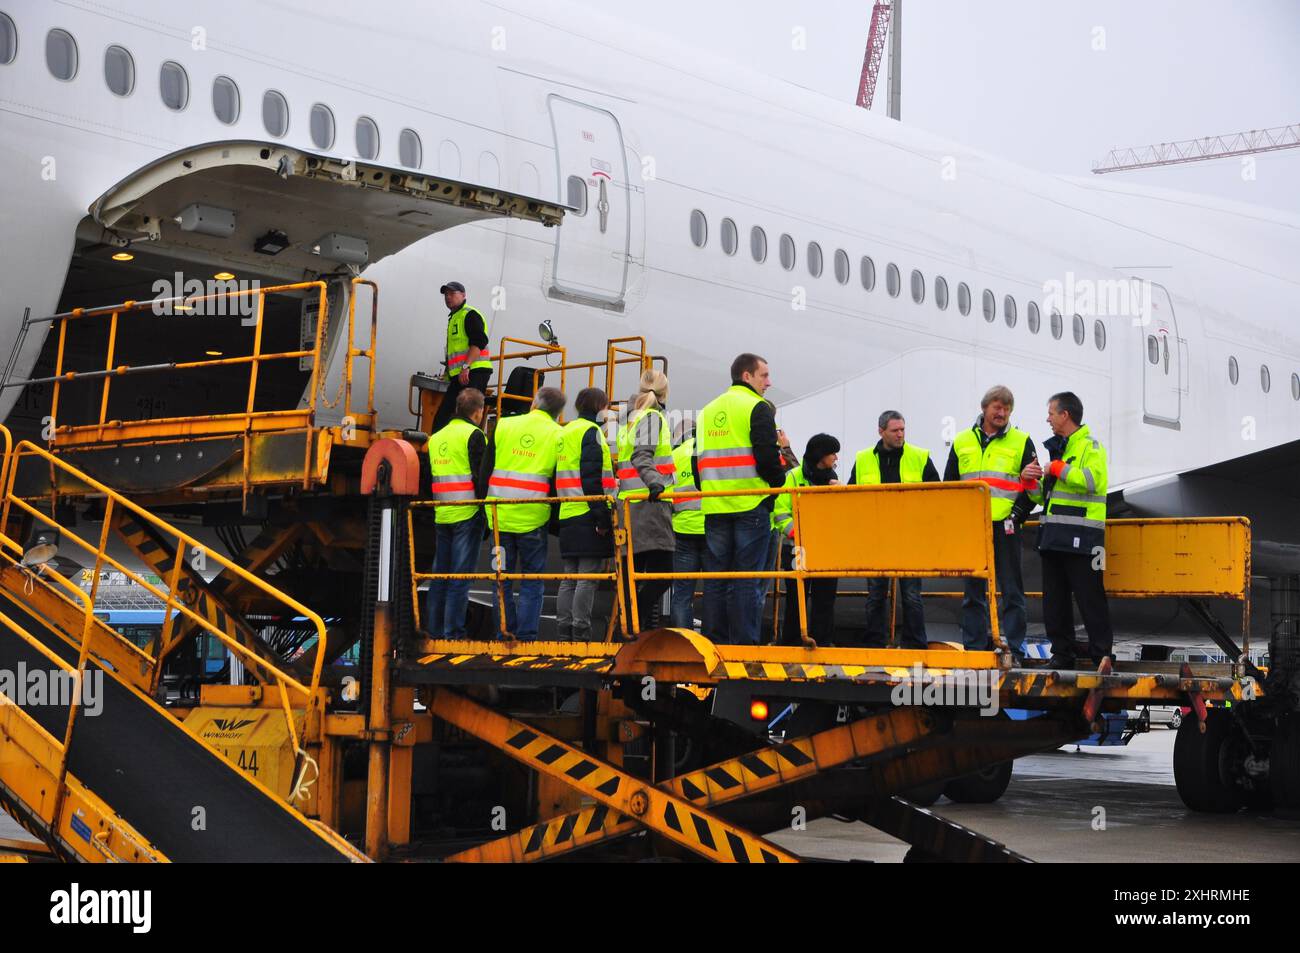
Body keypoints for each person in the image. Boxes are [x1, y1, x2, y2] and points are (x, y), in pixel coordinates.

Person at [693, 354, 790, 644]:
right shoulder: (758, 408)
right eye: (764, 376)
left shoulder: (707, 411)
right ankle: (744, 645)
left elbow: (696, 461)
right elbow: (767, 457)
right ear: (747, 376)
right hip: (750, 504)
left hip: (715, 505)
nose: (769, 382)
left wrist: (711, 490)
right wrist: (777, 484)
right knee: (746, 580)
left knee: (715, 580)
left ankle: (714, 642)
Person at [944, 385, 1038, 660]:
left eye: (1007, 408)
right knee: (973, 590)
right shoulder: (962, 441)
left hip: (1006, 525)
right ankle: (974, 646)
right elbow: (950, 485)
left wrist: (1016, 515)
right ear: (985, 408)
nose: (1002, 413)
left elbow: (1032, 487)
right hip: (973, 526)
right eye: (998, 407)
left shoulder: (1021, 441)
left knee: (1011, 589)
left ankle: (1015, 647)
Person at [1027, 392, 1114, 668]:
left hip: (1085, 539)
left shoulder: (1091, 447)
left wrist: (1058, 467)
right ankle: (1062, 654)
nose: (1048, 418)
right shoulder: (1059, 449)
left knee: (1091, 598)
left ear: (1066, 415)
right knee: (1055, 601)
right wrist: (1030, 483)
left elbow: (1092, 481)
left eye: (1051, 412)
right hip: (1054, 537)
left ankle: (1102, 655)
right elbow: (1045, 499)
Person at [850, 410, 941, 650]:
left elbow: (937, 495)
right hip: (877, 536)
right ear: (881, 432)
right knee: (876, 595)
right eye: (895, 430)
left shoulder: (919, 456)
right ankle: (875, 644)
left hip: (910, 536)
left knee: (911, 595)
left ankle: (915, 644)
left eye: (903, 429)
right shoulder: (863, 459)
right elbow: (850, 497)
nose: (900, 434)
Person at [482, 386, 564, 640]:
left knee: (501, 578)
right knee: (532, 580)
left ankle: (504, 631)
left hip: (499, 519)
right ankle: (527, 636)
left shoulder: (504, 425)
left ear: (534, 404)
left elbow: (486, 468)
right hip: (533, 520)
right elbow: (558, 479)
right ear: (558, 414)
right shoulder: (558, 434)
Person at [616, 370, 677, 632]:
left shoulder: (630, 419)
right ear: (666, 392)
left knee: (635, 571)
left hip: (629, 502)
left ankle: (630, 628)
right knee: (663, 571)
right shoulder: (652, 417)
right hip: (648, 503)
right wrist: (656, 483)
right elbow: (642, 456)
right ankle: (633, 624)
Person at [424, 388, 488, 638]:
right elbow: (479, 476)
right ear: (477, 412)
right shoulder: (474, 435)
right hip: (467, 512)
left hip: (442, 512)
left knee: (440, 576)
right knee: (460, 578)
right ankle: (453, 632)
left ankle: (434, 630)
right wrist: (485, 513)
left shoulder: (437, 437)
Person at [555, 387, 617, 641]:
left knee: (569, 578)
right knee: (587, 579)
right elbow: (592, 478)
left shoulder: (566, 430)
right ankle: (581, 632)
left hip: (567, 511)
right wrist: (602, 519)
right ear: (599, 406)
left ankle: (563, 631)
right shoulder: (591, 432)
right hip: (587, 513)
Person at [773, 433, 840, 645]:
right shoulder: (792, 477)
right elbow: (780, 513)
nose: (836, 458)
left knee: (825, 597)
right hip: (797, 548)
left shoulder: (834, 482)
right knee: (795, 596)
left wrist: (841, 494)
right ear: (821, 456)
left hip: (826, 548)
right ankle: (791, 641)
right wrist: (799, 534)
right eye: (833, 453)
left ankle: (822, 641)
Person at [432, 281, 492, 432]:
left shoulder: (469, 314)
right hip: (461, 375)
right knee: (444, 418)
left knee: (466, 417)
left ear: (463, 295)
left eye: (452, 293)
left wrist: (466, 366)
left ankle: (467, 449)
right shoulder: (455, 317)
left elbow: (479, 341)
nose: (448, 297)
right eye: (446, 294)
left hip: (474, 372)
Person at [669, 419, 706, 629]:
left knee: (682, 592)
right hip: (712, 528)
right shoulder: (707, 453)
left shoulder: (675, 456)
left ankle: (682, 642)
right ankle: (712, 643)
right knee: (714, 590)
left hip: (682, 530)